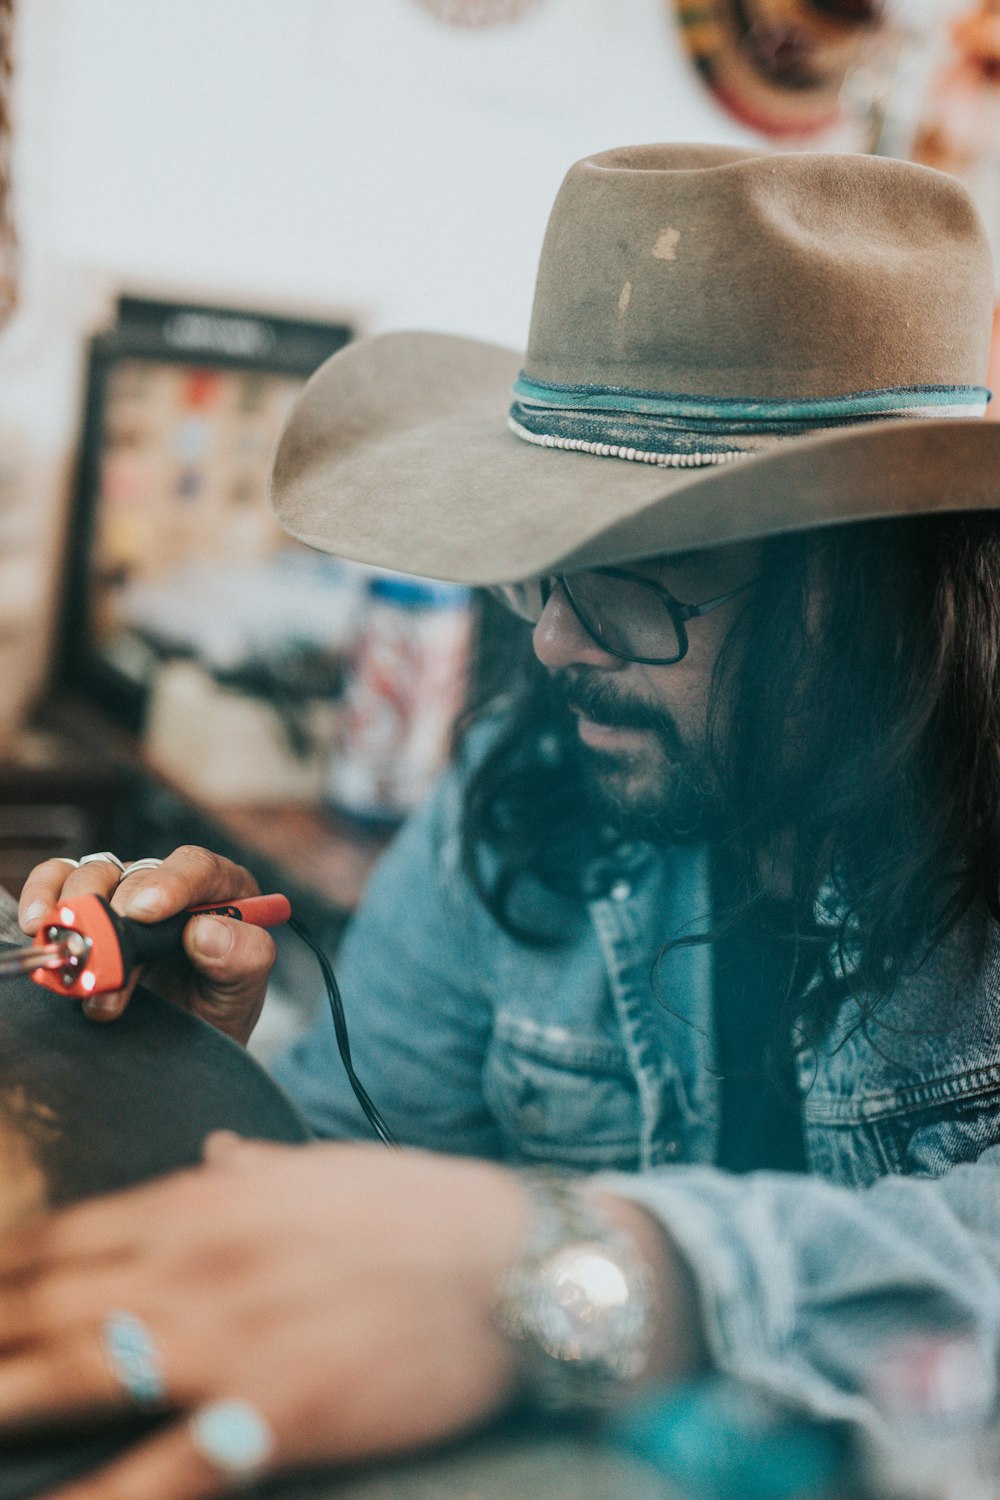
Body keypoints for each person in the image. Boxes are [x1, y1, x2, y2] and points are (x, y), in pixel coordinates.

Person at [4, 143, 1000, 1499]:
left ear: (874, 590)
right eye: (544, 569)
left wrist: (602, 1271)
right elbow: (363, 1181)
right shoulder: (520, 792)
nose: (556, 643)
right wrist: (188, 1076)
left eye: (639, 578)